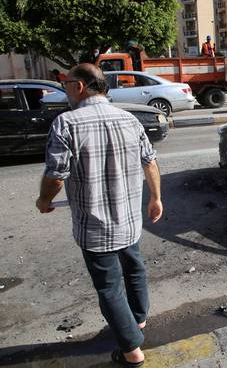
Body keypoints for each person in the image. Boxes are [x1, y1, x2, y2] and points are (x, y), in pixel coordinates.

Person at [36, 63, 162, 367]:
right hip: (129, 220)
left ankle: (132, 350)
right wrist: (156, 197)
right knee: (134, 269)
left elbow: (56, 175)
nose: (65, 90)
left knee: (108, 286)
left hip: (95, 227)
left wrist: (43, 200)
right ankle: (138, 321)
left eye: (66, 85)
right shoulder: (129, 120)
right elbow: (150, 162)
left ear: (79, 86)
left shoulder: (67, 123)